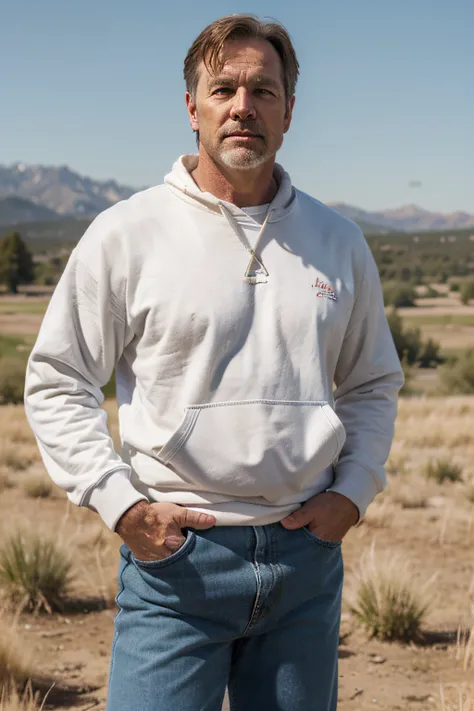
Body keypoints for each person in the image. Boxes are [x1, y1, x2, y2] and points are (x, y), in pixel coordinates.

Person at [24, 13, 404, 711]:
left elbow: (374, 381)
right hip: (176, 566)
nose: (242, 106)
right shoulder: (126, 235)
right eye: (223, 87)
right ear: (191, 106)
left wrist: (352, 492)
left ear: (290, 110)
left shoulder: (338, 241)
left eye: (263, 90)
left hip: (304, 562)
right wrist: (121, 503)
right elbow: (58, 378)